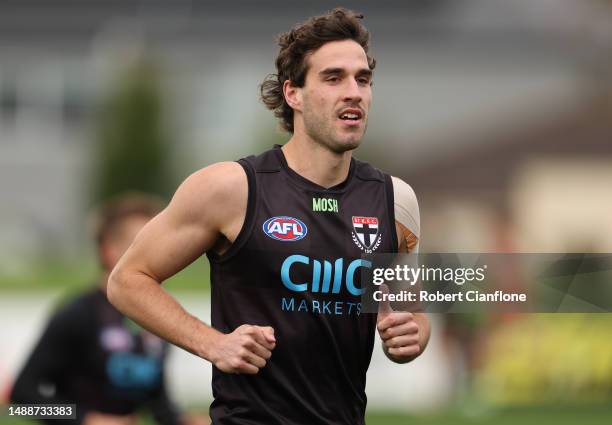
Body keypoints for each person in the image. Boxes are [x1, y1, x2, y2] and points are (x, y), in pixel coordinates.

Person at [107, 8, 430, 425]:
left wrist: (413, 335)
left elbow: (412, 312)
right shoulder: (231, 188)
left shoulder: (395, 198)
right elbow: (127, 281)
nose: (354, 92)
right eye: (333, 78)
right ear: (293, 93)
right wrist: (213, 343)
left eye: (362, 79)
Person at [11, 193, 204, 425]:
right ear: (109, 251)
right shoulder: (77, 315)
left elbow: (157, 405)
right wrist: (88, 420)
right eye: (143, 244)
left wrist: (190, 421)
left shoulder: (159, 317)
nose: (162, 253)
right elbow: (21, 400)